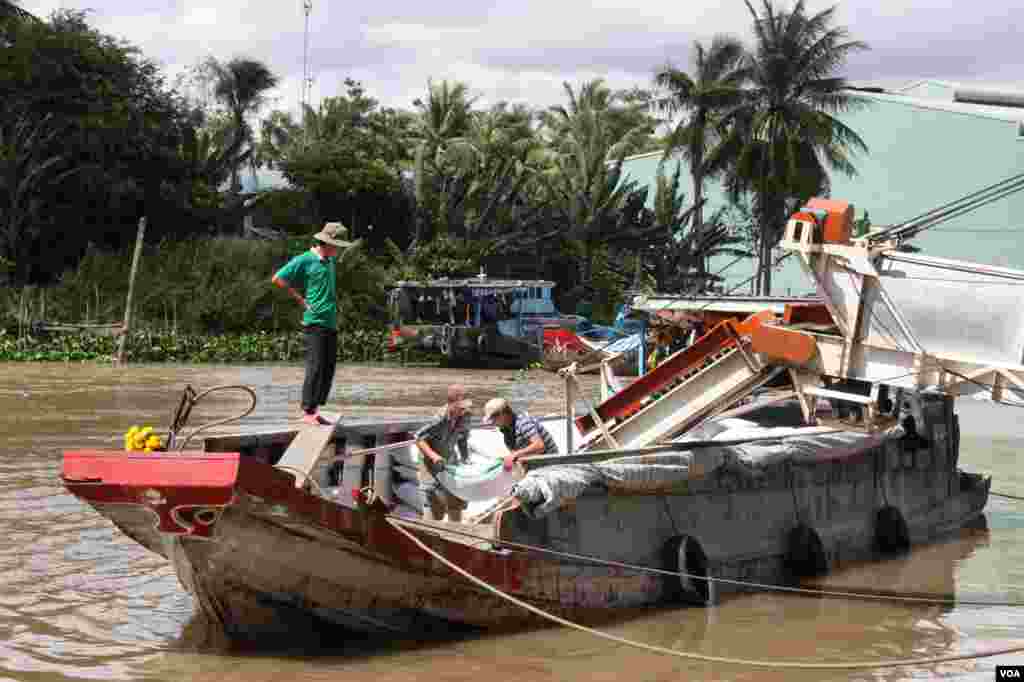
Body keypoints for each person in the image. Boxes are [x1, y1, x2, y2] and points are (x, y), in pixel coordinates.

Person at [272, 222, 354, 425]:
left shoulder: (330, 260)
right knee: (315, 367)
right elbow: (278, 278)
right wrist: (300, 299)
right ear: (326, 243)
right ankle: (308, 410)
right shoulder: (306, 259)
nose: (338, 250)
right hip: (314, 322)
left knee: (328, 367)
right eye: (337, 246)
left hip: (330, 322)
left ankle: (315, 409)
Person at [415, 384, 473, 522]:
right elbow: (418, 438)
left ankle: (457, 530)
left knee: (456, 497)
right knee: (433, 501)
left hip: (450, 459)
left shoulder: (465, 415)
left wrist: (465, 458)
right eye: (460, 408)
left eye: (465, 407)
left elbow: (462, 436)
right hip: (431, 464)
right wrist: (434, 456)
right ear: (450, 403)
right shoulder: (439, 418)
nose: (463, 411)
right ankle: (431, 530)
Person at [482, 397, 557, 471]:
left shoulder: (523, 422)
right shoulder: (506, 430)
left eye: (493, 419)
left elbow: (539, 446)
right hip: (534, 465)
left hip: (550, 465)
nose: (493, 423)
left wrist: (515, 455)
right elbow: (516, 455)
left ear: (503, 414)